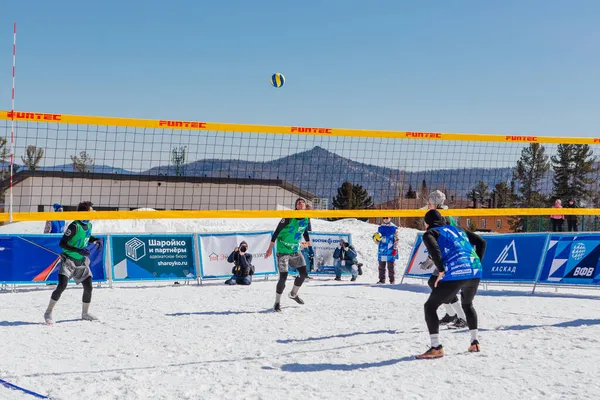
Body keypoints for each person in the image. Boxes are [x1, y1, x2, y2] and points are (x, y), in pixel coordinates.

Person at [416, 209, 486, 359]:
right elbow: (481, 242)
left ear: (426, 224)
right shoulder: (458, 229)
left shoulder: (430, 233)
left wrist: (441, 269)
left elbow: (434, 249)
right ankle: (474, 342)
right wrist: (477, 261)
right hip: (474, 271)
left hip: (456, 273)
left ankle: (436, 347)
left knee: (430, 307)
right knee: (468, 305)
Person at [43, 201, 103, 324]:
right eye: (91, 211)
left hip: (81, 261)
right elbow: (62, 243)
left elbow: (87, 236)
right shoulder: (74, 226)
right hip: (68, 260)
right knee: (62, 286)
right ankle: (48, 312)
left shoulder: (89, 225)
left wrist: (96, 240)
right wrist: (78, 250)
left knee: (89, 287)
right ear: (84, 213)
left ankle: (85, 313)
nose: (93, 213)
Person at [421, 190, 467, 328]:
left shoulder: (442, 217)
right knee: (436, 284)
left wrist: (430, 260)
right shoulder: (441, 215)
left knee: (440, 285)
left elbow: (441, 242)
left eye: (429, 202)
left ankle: (461, 317)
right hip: (447, 255)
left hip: (450, 256)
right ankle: (452, 314)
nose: (427, 205)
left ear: (434, 203)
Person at [265, 198, 312, 312]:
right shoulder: (289, 216)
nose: (300, 204)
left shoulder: (306, 218)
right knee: (283, 277)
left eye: (302, 203)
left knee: (304, 274)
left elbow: (304, 230)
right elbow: (276, 232)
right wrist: (270, 248)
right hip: (283, 251)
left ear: (305, 206)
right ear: (296, 206)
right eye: (298, 203)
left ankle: (293, 294)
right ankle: (277, 303)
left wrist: (308, 243)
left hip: (295, 250)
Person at [376, 216, 398, 284]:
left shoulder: (394, 228)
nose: (385, 219)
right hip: (382, 249)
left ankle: (392, 280)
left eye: (387, 218)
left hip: (390, 249)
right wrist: (376, 240)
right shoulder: (380, 228)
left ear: (390, 218)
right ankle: (381, 280)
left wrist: (395, 248)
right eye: (384, 218)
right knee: (381, 265)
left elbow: (396, 238)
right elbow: (378, 237)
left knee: (391, 265)